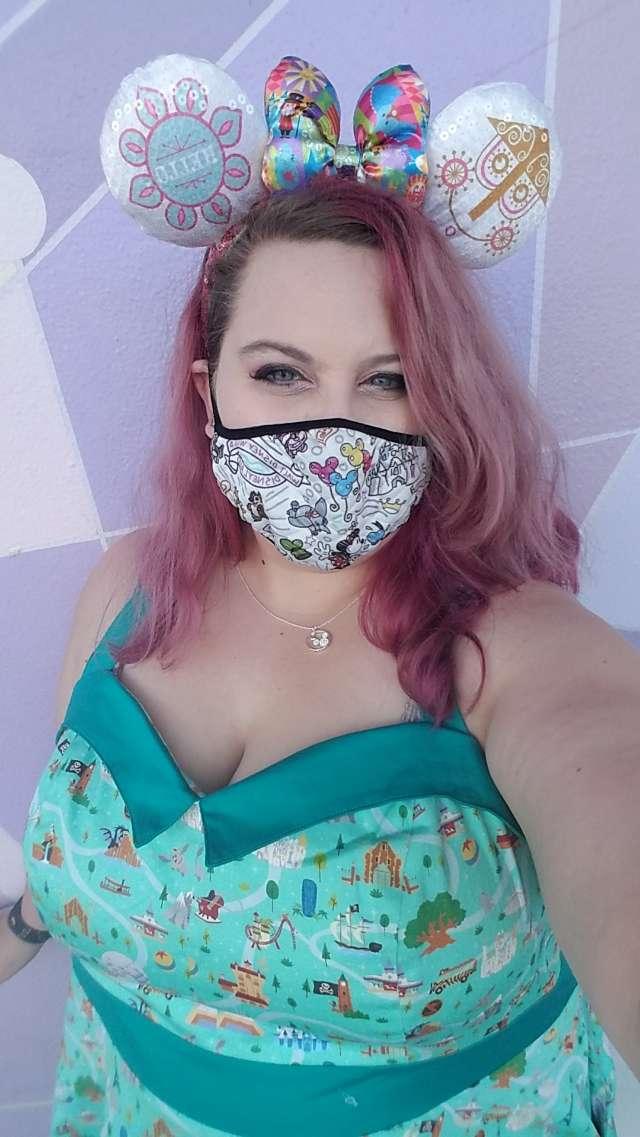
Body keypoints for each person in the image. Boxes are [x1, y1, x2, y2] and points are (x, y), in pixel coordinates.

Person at [2, 51, 638, 1137]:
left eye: (388, 379)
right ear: (208, 390)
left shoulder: (517, 653)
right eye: (281, 373)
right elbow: (70, 871)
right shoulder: (128, 593)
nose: (331, 434)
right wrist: (27, 922)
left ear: (443, 403)